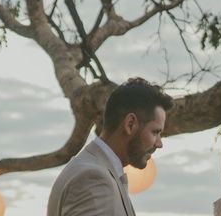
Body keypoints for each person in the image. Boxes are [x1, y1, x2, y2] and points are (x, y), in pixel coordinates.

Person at [47, 77, 174, 216]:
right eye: (155, 132)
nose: (159, 143)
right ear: (130, 124)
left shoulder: (93, 171)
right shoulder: (94, 179)